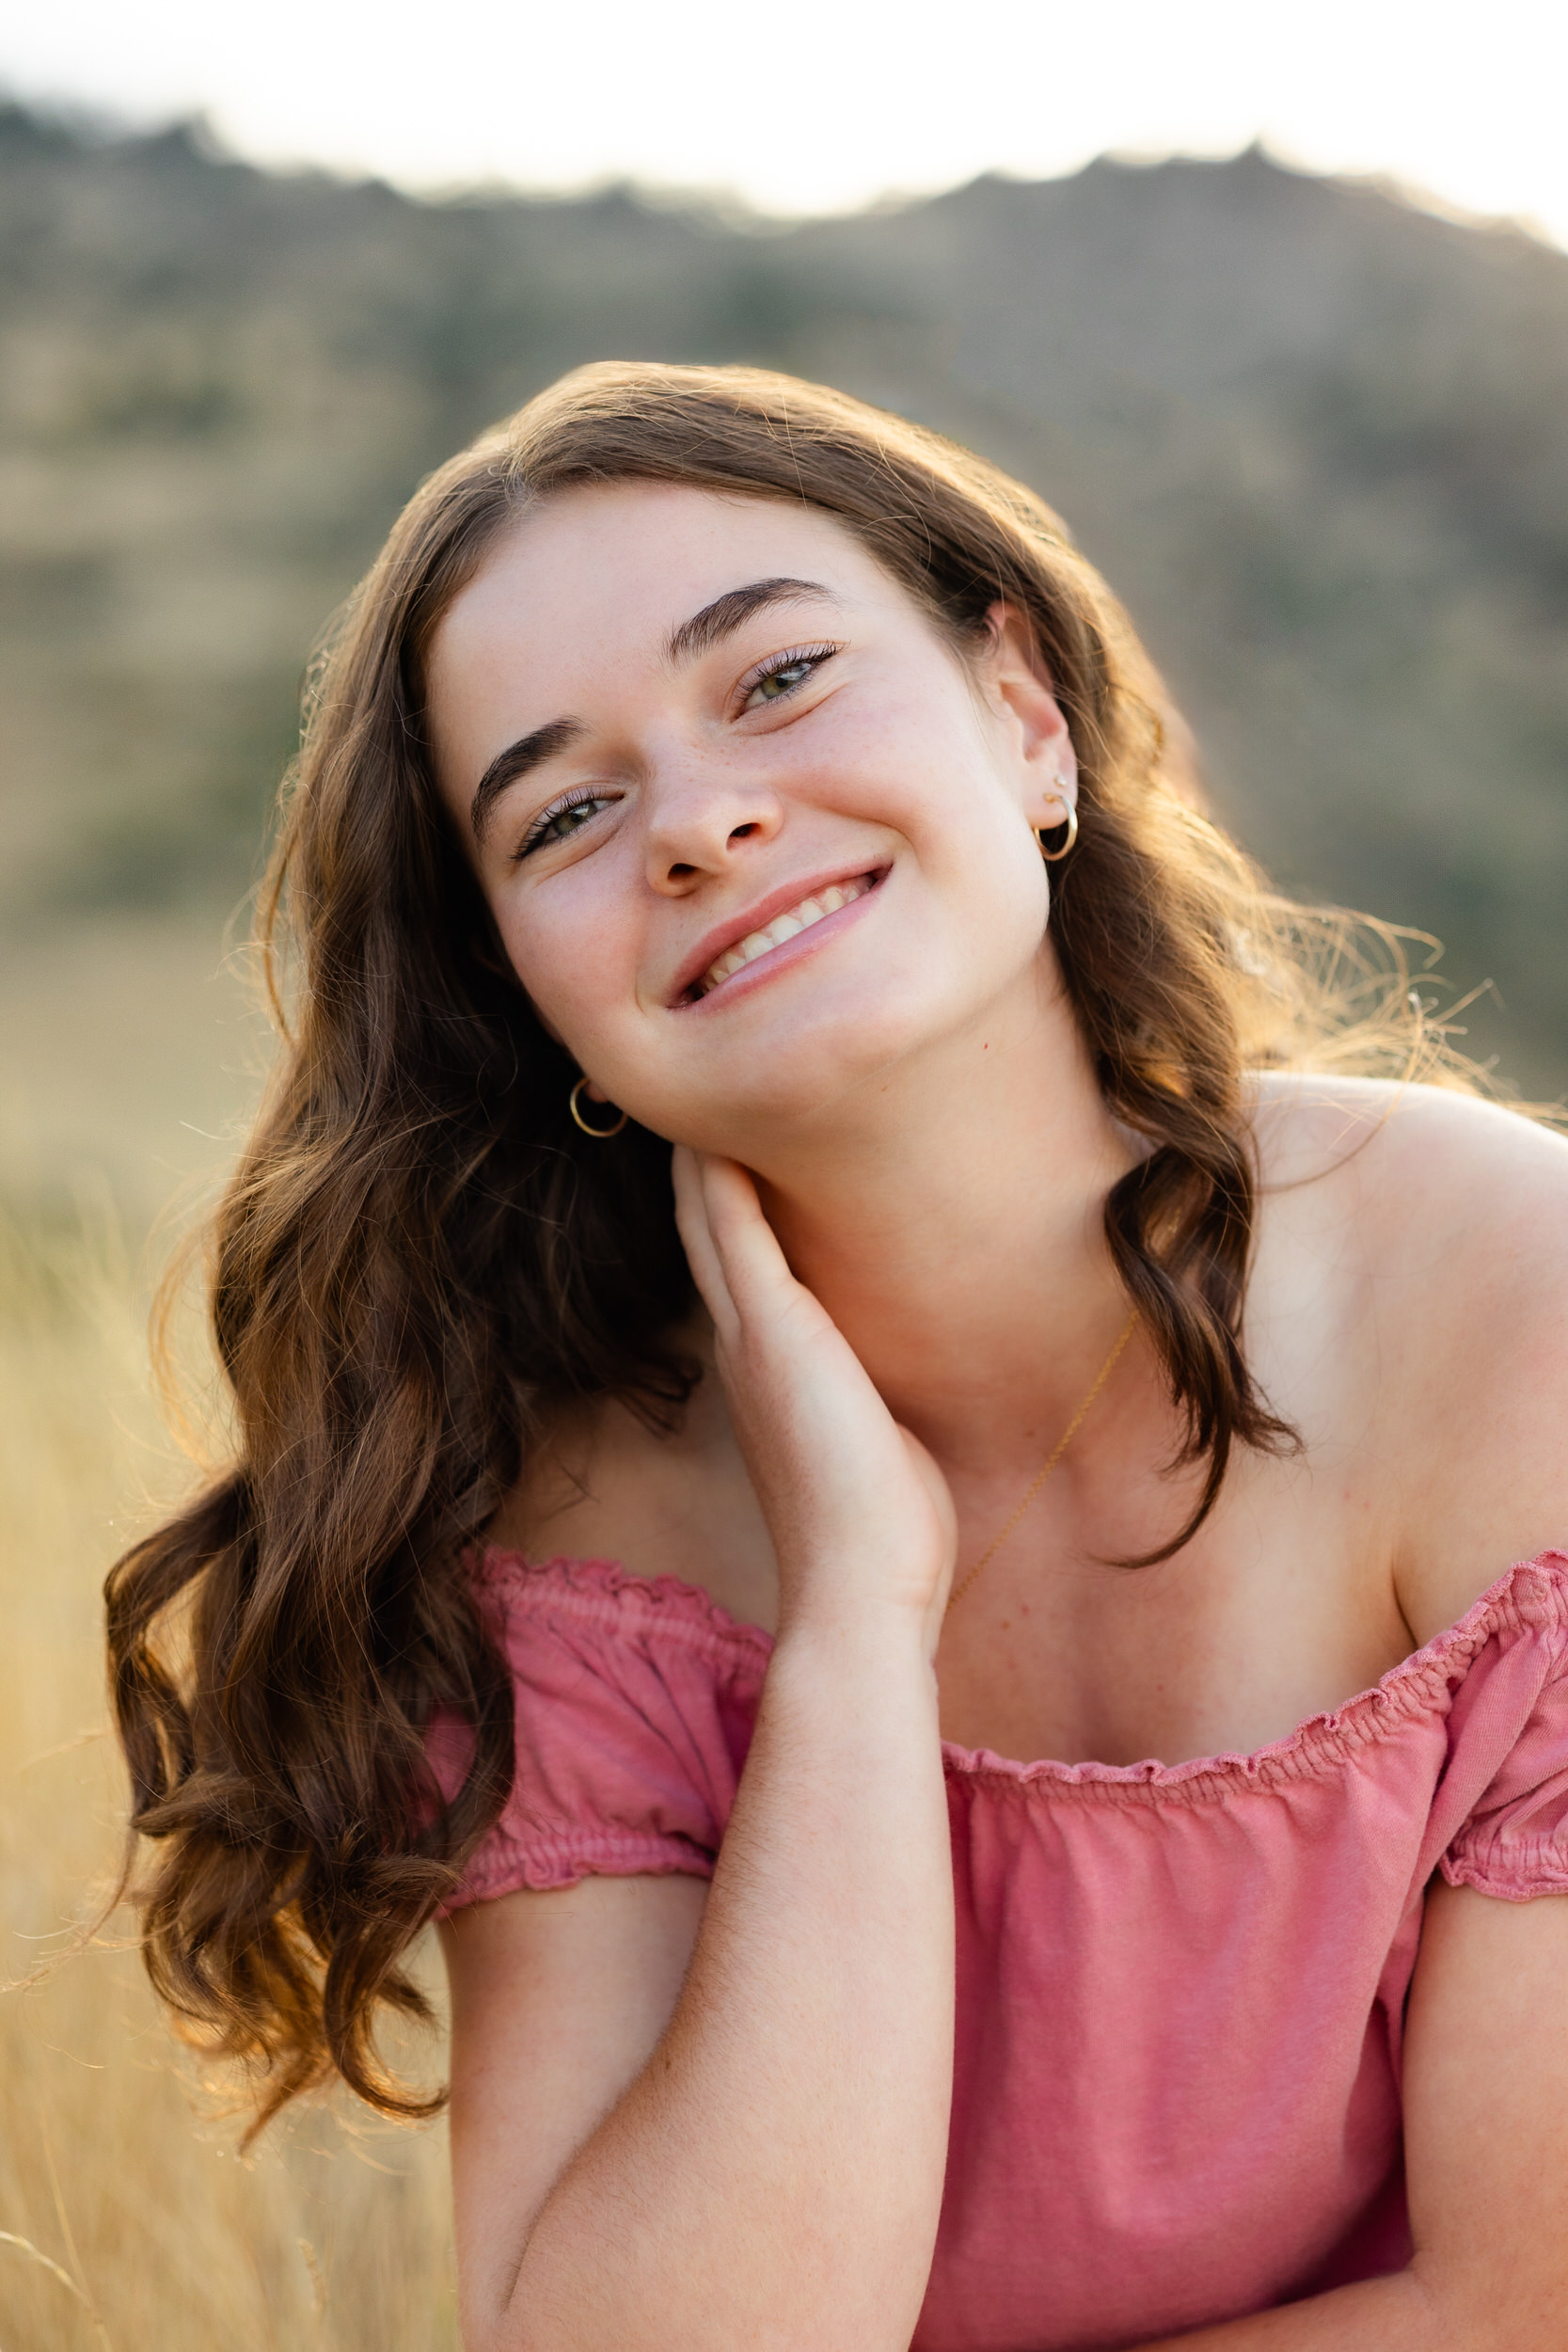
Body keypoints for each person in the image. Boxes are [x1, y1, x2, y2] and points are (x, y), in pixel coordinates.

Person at [107, 362, 1568, 2352]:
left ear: (1025, 718)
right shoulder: (570, 1539)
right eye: (571, 810)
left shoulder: (1502, 1293)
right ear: (530, 993)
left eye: (779, 678)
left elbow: (1527, 2300)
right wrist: (858, 1618)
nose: (701, 819)